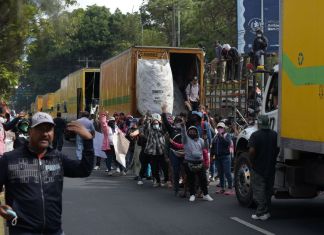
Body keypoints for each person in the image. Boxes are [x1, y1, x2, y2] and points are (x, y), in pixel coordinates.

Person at [0, 112, 94, 234]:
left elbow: (84, 170)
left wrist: (88, 141)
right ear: (30, 131)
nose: (45, 134)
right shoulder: (9, 159)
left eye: (49, 130)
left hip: (54, 231)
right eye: (40, 129)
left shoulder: (57, 158)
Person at [249, 115, 278, 220]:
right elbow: (278, 149)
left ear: (259, 123)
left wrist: (252, 161)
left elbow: (252, 151)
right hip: (271, 166)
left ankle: (260, 212)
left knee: (258, 191)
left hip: (258, 167)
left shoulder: (255, 135)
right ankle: (267, 212)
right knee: (268, 190)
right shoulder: (275, 135)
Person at [181, 121, 213, 202]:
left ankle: (206, 194)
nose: (192, 132)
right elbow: (183, 134)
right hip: (189, 162)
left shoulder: (201, 140)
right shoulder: (186, 140)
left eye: (194, 131)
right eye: (190, 131)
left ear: (196, 132)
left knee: (203, 179)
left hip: (200, 162)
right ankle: (192, 194)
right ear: (188, 132)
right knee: (191, 180)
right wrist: (183, 127)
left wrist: (206, 139)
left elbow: (206, 148)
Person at [161, 104, 184, 195]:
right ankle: (176, 189)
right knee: (176, 170)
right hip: (174, 153)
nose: (179, 122)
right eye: (177, 121)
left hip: (184, 152)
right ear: (174, 122)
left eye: (180, 121)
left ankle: (186, 188)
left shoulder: (185, 129)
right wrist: (163, 112)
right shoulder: (172, 129)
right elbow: (166, 122)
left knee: (185, 171)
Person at [144, 113, 169, 187]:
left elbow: (166, 127)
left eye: (157, 123)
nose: (155, 124)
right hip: (153, 152)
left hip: (162, 151)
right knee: (154, 168)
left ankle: (166, 180)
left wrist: (161, 121)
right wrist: (148, 120)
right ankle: (157, 181)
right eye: (154, 123)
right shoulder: (150, 130)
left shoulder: (162, 129)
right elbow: (146, 128)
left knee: (164, 167)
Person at [210, 122, 234, 195]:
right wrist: (211, 157)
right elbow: (213, 147)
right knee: (220, 173)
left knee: (227, 172)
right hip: (217, 157)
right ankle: (222, 188)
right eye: (218, 127)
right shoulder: (215, 137)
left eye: (221, 127)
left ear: (224, 129)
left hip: (225, 157)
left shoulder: (227, 135)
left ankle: (230, 188)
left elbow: (228, 143)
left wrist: (221, 137)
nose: (220, 129)